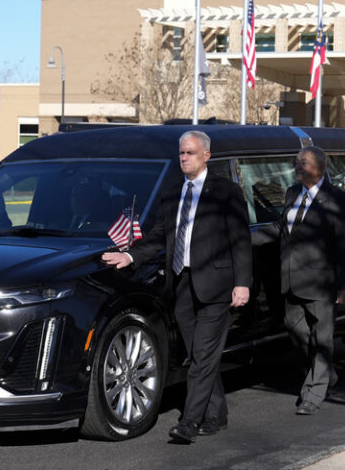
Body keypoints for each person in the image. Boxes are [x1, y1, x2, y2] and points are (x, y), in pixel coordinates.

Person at [102, 130, 251, 443]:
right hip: (181, 285)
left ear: (206, 155)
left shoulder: (226, 191)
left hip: (216, 287)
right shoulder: (172, 192)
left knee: (202, 358)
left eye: (191, 153)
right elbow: (157, 237)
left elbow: (240, 241)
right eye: (181, 153)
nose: (184, 158)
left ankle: (190, 422)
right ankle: (217, 413)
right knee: (200, 355)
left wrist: (242, 284)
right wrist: (129, 255)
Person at [280, 147, 345, 415]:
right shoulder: (292, 193)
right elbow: (286, 233)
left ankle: (313, 392)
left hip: (322, 281)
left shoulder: (336, 198)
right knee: (295, 328)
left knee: (322, 338)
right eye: (297, 162)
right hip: (292, 280)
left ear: (321, 167)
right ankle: (327, 373)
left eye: (304, 163)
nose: (298, 166)